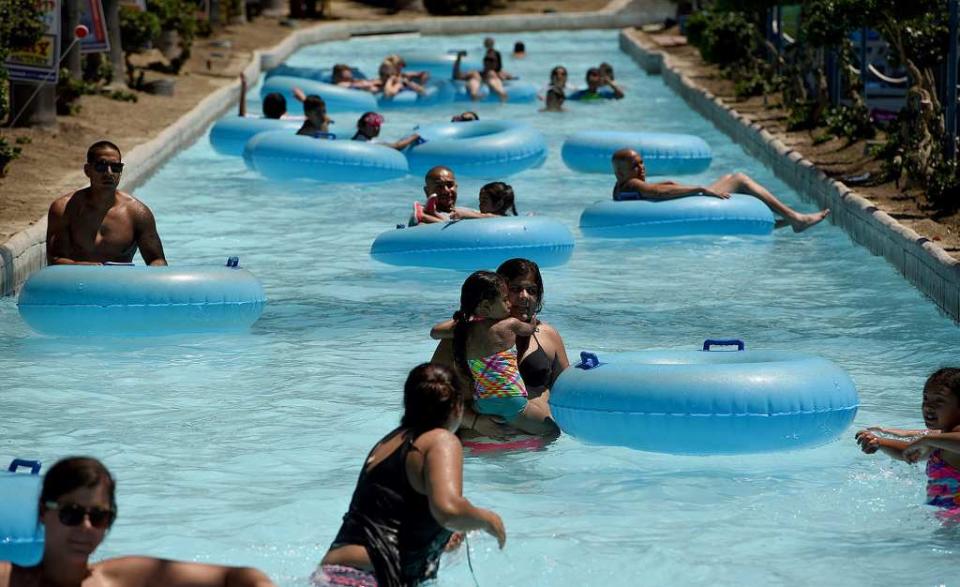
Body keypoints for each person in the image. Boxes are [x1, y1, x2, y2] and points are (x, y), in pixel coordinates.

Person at [313, 363, 506, 587]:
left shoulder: (388, 443)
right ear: (456, 408)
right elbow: (449, 509)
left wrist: (440, 539)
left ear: (408, 404)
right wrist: (489, 520)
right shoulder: (441, 440)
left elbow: (390, 519)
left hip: (333, 573)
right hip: (371, 577)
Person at [0, 456, 275, 587]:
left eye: (98, 517)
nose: (85, 527)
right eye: (70, 513)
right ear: (42, 513)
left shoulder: (122, 579)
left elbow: (237, 577)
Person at [432, 258, 569, 439]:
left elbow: (568, 393)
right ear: (495, 294)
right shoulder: (463, 337)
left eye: (532, 290)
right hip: (478, 449)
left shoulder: (548, 335)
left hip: (538, 451)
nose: (524, 296)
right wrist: (474, 422)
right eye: (515, 289)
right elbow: (432, 399)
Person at [611, 148, 830, 232]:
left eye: (642, 162)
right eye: (635, 165)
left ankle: (779, 222)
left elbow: (652, 192)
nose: (641, 168)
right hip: (689, 206)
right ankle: (794, 218)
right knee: (740, 180)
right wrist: (700, 188)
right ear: (621, 173)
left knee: (727, 178)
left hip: (681, 208)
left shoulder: (620, 188)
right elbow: (655, 193)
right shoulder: (632, 184)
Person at [856, 368, 960, 514]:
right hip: (946, 519)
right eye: (925, 398)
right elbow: (908, 452)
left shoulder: (948, 437)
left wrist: (927, 439)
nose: (928, 407)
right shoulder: (942, 439)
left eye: (939, 401)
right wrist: (879, 442)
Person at [47, 141, 167, 266]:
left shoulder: (138, 213)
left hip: (121, 283)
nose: (109, 172)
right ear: (87, 170)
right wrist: (85, 268)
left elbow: (157, 260)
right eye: (101, 166)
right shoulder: (64, 209)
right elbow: (55, 260)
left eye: (116, 168)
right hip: (78, 283)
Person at [409, 166, 490, 225]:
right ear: (427, 191)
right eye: (439, 186)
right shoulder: (421, 217)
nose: (446, 190)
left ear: (456, 187)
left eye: (450, 185)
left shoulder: (468, 212)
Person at [351, 112, 421, 151]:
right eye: (373, 126)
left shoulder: (356, 139)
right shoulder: (369, 143)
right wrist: (415, 136)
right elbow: (397, 146)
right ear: (362, 127)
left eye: (378, 125)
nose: (377, 128)